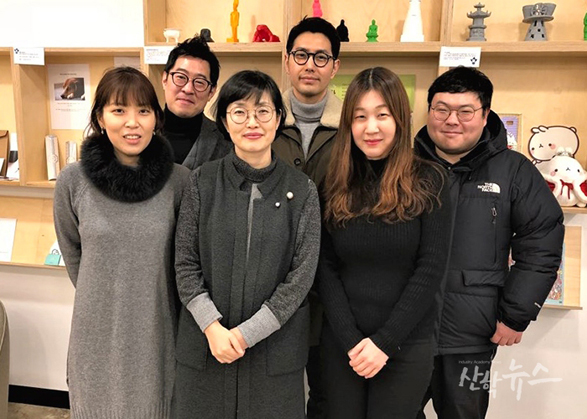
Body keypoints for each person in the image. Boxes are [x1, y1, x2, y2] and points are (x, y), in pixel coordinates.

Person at [414, 66, 564, 419]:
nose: (452, 120)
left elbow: (541, 240)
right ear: (429, 111)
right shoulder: (404, 166)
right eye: (441, 109)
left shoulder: (513, 170)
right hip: (406, 331)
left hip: (472, 336)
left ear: (485, 115)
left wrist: (516, 314)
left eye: (465, 111)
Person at [173, 70, 321, 419]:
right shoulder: (201, 182)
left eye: (263, 111)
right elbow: (185, 264)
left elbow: (300, 279)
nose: (252, 122)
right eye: (239, 112)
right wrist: (212, 327)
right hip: (207, 346)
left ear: (278, 119)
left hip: (273, 352)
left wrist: (244, 336)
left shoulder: (302, 190)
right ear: (225, 121)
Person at [53, 67, 190, 418]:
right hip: (96, 330)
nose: (133, 122)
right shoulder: (73, 181)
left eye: (143, 110)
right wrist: (104, 293)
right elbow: (73, 254)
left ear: (156, 118)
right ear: (100, 118)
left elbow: (186, 263)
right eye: (119, 110)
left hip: (157, 330)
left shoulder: (179, 182)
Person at [318, 67, 452, 419]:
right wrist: (350, 339)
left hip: (406, 343)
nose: (371, 127)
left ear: (400, 119)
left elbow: (431, 268)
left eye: (382, 115)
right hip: (343, 344)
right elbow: (325, 266)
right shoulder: (334, 182)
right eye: (360, 117)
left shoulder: (431, 179)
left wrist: (385, 342)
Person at [272, 17, 342, 418]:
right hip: (270, 283)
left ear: (334, 66)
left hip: (334, 287)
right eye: (301, 55)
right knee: (271, 396)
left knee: (327, 397)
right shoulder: (262, 119)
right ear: (286, 60)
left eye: (321, 57)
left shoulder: (354, 127)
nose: (310, 65)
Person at [162, 36, 232, 169]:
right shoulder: (139, 132)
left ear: (211, 91)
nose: (188, 89)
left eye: (199, 82)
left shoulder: (226, 141)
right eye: (181, 77)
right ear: (164, 79)